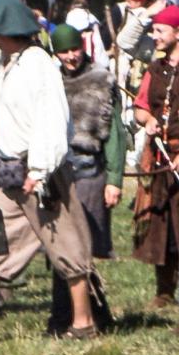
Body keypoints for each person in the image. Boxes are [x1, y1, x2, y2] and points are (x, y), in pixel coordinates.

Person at [0, 0, 91, 336]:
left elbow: (51, 118)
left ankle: (83, 323)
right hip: (9, 173)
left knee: (66, 246)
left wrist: (39, 170)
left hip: (38, 174)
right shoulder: (7, 62)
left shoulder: (37, 64)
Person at [45, 22, 119, 338]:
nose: (71, 56)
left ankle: (92, 314)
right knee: (60, 249)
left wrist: (114, 178)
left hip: (89, 173)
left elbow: (115, 135)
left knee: (83, 251)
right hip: (58, 173)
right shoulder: (48, 81)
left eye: (75, 49)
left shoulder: (101, 81)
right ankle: (64, 315)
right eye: (64, 51)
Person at [128, 2, 179, 309]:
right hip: (160, 154)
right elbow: (140, 107)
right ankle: (164, 290)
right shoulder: (154, 69)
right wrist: (149, 120)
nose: (154, 36)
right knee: (161, 222)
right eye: (153, 30)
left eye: (160, 30)